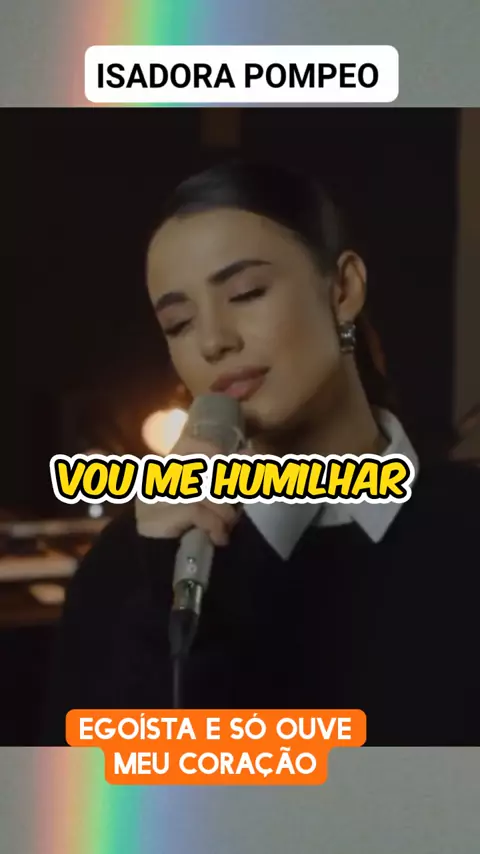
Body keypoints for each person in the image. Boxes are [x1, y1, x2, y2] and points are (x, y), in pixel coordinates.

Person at [43, 160, 480, 747]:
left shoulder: (463, 526)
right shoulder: (127, 569)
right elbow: (95, 797)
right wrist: (165, 597)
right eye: (178, 323)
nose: (213, 340)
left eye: (246, 293)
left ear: (343, 289)